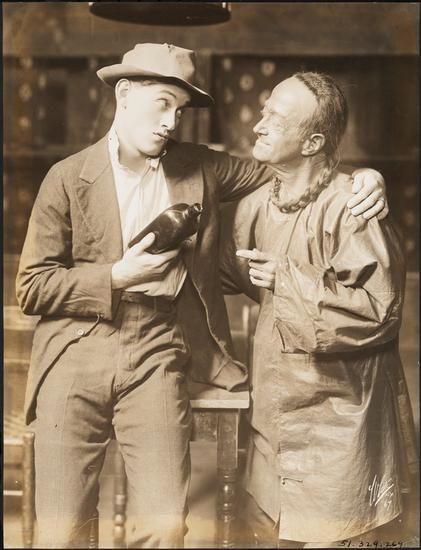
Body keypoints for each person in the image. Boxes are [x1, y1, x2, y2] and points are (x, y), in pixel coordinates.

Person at [16, 44, 388, 549]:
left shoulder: (200, 166)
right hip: (74, 349)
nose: (172, 122)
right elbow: (32, 286)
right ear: (124, 94)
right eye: (162, 103)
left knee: (166, 527)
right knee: (62, 532)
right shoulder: (66, 177)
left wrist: (363, 178)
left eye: (180, 110)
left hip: (157, 348)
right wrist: (117, 275)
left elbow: (294, 166)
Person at [219, 71, 419, 548]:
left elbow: (380, 312)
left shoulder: (353, 207)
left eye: (275, 118)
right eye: (263, 111)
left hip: (341, 427)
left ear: (312, 143)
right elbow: (225, 274)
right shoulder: (254, 205)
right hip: (272, 420)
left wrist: (287, 279)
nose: (258, 125)